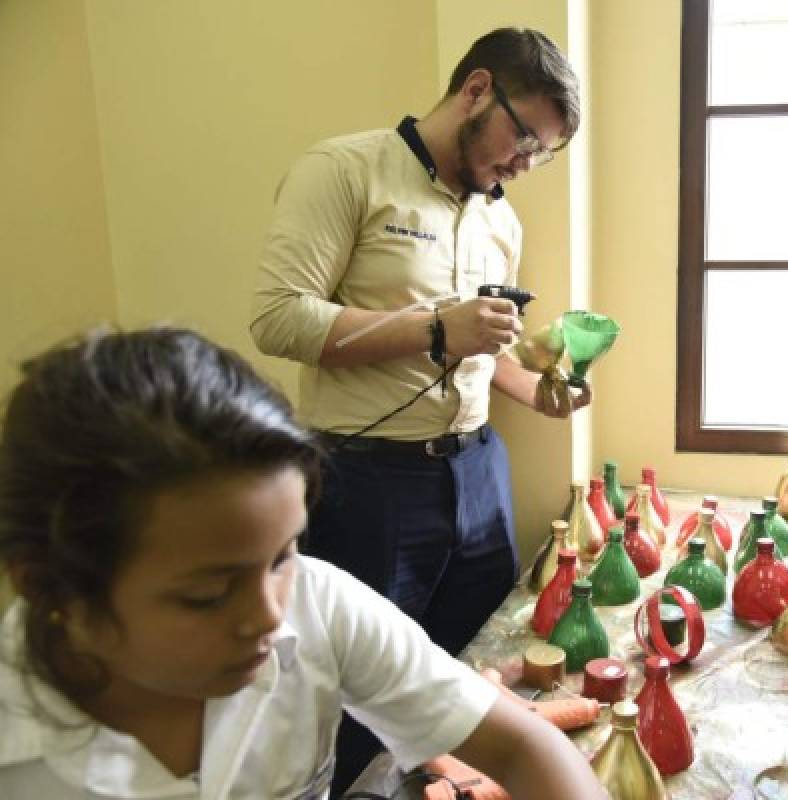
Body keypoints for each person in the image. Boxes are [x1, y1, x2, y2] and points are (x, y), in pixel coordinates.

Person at [0, 328, 606, 800]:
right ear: (54, 589)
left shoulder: (319, 604)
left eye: (283, 554)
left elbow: (524, 748)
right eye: (208, 595)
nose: (270, 615)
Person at [250, 28, 589, 791]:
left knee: (471, 672)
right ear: (476, 90)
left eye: (543, 155)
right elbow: (277, 319)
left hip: (478, 468)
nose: (524, 165)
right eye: (524, 137)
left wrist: (540, 391)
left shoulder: (501, 220)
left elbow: (482, 346)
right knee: (354, 695)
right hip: (367, 480)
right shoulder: (344, 169)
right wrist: (437, 328)